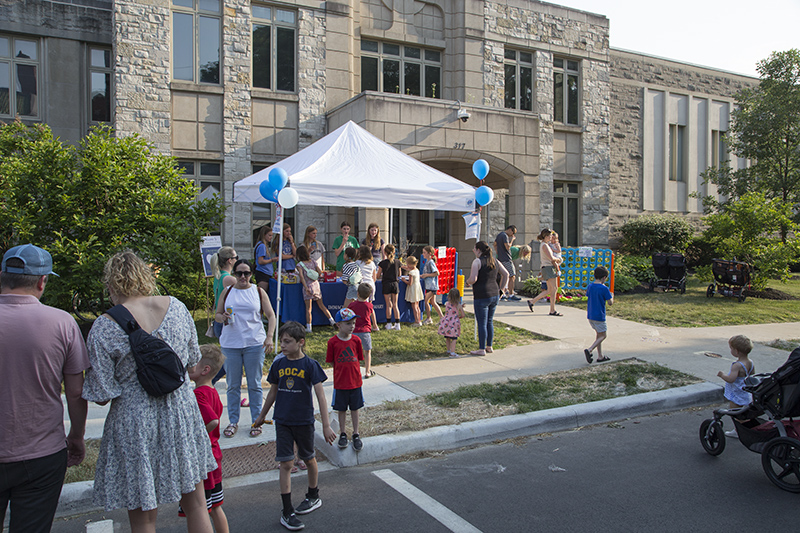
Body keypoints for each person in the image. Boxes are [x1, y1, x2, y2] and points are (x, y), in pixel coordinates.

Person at [82, 251, 216, 533]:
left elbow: (102, 393)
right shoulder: (177, 308)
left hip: (134, 421)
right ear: (145, 277)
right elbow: (192, 362)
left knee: (144, 516)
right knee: (196, 503)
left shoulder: (105, 326)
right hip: (181, 413)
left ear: (112, 283)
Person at [0, 244, 90, 533]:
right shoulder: (62, 322)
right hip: (41, 453)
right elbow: (75, 392)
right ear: (42, 281)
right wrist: (76, 436)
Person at [253, 322, 336, 532]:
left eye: (287, 341)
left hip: (304, 421)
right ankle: (287, 510)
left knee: (309, 459)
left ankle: (313, 495)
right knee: (286, 463)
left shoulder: (310, 365)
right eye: (281, 341)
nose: (282, 345)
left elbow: (320, 396)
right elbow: (272, 392)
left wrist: (325, 425)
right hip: (283, 421)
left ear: (301, 342)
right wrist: (261, 417)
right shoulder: (278, 365)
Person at [215, 259, 276, 438]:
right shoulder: (227, 292)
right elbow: (217, 315)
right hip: (230, 344)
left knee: (254, 384)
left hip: (254, 343)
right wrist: (222, 317)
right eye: (239, 273)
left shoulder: (258, 291)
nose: (243, 277)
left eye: (246, 273)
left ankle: (257, 420)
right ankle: (233, 421)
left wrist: (270, 337)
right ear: (234, 274)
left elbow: (271, 315)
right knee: (232, 385)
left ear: (251, 274)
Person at [179, 345, 229, 533]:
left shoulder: (199, 394)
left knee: (200, 508)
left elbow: (213, 421)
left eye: (193, 362)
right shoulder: (212, 391)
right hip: (214, 454)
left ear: (205, 370)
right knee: (216, 507)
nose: (189, 365)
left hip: (204, 458)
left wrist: (195, 437)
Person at [326, 308, 365, 451]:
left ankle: (356, 433)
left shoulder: (356, 340)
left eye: (353, 323)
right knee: (341, 409)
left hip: (355, 382)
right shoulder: (333, 342)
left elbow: (359, 358)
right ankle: (342, 433)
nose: (352, 326)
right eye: (348, 323)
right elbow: (331, 361)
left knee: (355, 408)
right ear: (339, 325)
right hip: (340, 383)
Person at [466, 241, 509, 356]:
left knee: (482, 322)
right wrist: (502, 289)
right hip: (494, 294)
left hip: (481, 295)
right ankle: (489, 346)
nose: (473, 251)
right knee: (489, 321)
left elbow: (473, 278)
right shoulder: (495, 261)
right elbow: (506, 274)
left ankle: (481, 349)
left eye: (474, 249)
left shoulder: (477, 262)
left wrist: (467, 282)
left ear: (479, 250)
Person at [717, 335, 755, 438]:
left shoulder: (737, 365)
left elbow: (731, 379)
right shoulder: (750, 362)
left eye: (731, 348)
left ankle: (738, 431)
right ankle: (748, 429)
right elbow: (752, 376)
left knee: (735, 413)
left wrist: (722, 375)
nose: (731, 351)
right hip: (745, 392)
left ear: (737, 351)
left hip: (737, 393)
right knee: (745, 412)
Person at [296, 245, 335, 332]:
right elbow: (320, 272)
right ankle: (332, 321)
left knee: (308, 309)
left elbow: (301, 277)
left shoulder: (300, 265)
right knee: (321, 305)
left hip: (308, 286)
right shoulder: (313, 261)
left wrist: (305, 287)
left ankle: (309, 327)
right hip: (316, 285)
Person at [526, 229, 562, 316]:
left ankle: (532, 301)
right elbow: (551, 258)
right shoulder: (545, 246)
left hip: (548, 267)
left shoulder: (545, 245)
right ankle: (552, 310)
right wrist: (559, 259)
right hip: (548, 267)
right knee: (553, 289)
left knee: (551, 289)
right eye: (549, 236)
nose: (551, 237)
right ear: (546, 236)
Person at [584, 267, 613, 364]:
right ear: (604, 277)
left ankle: (600, 356)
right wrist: (611, 295)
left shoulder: (590, 286)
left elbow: (588, 295)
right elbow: (610, 303)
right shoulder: (604, 288)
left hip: (591, 315)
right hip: (599, 316)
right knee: (603, 335)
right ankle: (590, 349)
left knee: (598, 335)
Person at [348, 283, 378, 378]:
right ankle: (367, 371)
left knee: (353, 352)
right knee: (367, 351)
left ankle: (352, 371)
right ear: (369, 295)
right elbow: (373, 316)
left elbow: (348, 316)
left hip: (354, 331)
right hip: (365, 331)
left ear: (357, 293)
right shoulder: (369, 306)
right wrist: (375, 325)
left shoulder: (352, 305)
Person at [210, 246, 238, 339]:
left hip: (219, 318)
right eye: (236, 258)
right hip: (227, 319)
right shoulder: (230, 279)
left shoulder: (218, 275)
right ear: (230, 260)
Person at [377, 243, 402, 330]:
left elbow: (378, 275)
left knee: (388, 304)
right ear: (394, 252)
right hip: (395, 284)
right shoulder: (398, 262)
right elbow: (399, 274)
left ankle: (388, 323)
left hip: (386, 284)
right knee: (395, 305)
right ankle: (398, 324)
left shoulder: (382, 263)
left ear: (384, 252)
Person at [495, 225, 520, 301]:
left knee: (503, 275)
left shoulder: (499, 235)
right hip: (506, 259)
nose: (513, 235)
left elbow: (494, 244)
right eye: (513, 232)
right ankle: (511, 294)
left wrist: (498, 253)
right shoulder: (505, 236)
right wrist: (512, 240)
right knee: (512, 276)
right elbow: (508, 247)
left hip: (500, 258)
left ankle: (502, 293)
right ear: (509, 230)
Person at [438, 287, 465, 358]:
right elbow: (463, 315)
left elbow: (451, 309)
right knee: (454, 338)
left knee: (447, 337)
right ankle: (452, 352)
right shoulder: (458, 305)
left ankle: (448, 350)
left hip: (447, 322)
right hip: (454, 323)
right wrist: (459, 317)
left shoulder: (447, 304)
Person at [420, 245, 444, 325]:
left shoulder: (431, 262)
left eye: (424, 252)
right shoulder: (428, 262)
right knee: (433, 302)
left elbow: (436, 273)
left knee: (426, 301)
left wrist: (426, 275)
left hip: (432, 286)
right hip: (430, 285)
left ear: (429, 253)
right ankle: (441, 318)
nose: (423, 254)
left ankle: (429, 318)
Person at [403, 255, 424, 326]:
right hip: (417, 288)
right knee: (417, 305)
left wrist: (404, 280)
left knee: (414, 306)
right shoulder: (416, 270)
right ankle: (419, 320)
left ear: (410, 264)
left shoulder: (411, 273)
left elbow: (410, 283)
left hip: (413, 289)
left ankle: (416, 321)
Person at [254, 226, 276, 295]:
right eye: (269, 235)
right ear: (264, 235)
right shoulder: (262, 246)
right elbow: (260, 261)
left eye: (271, 235)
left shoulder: (260, 244)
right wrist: (272, 260)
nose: (271, 237)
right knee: (262, 294)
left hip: (265, 272)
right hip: (263, 273)